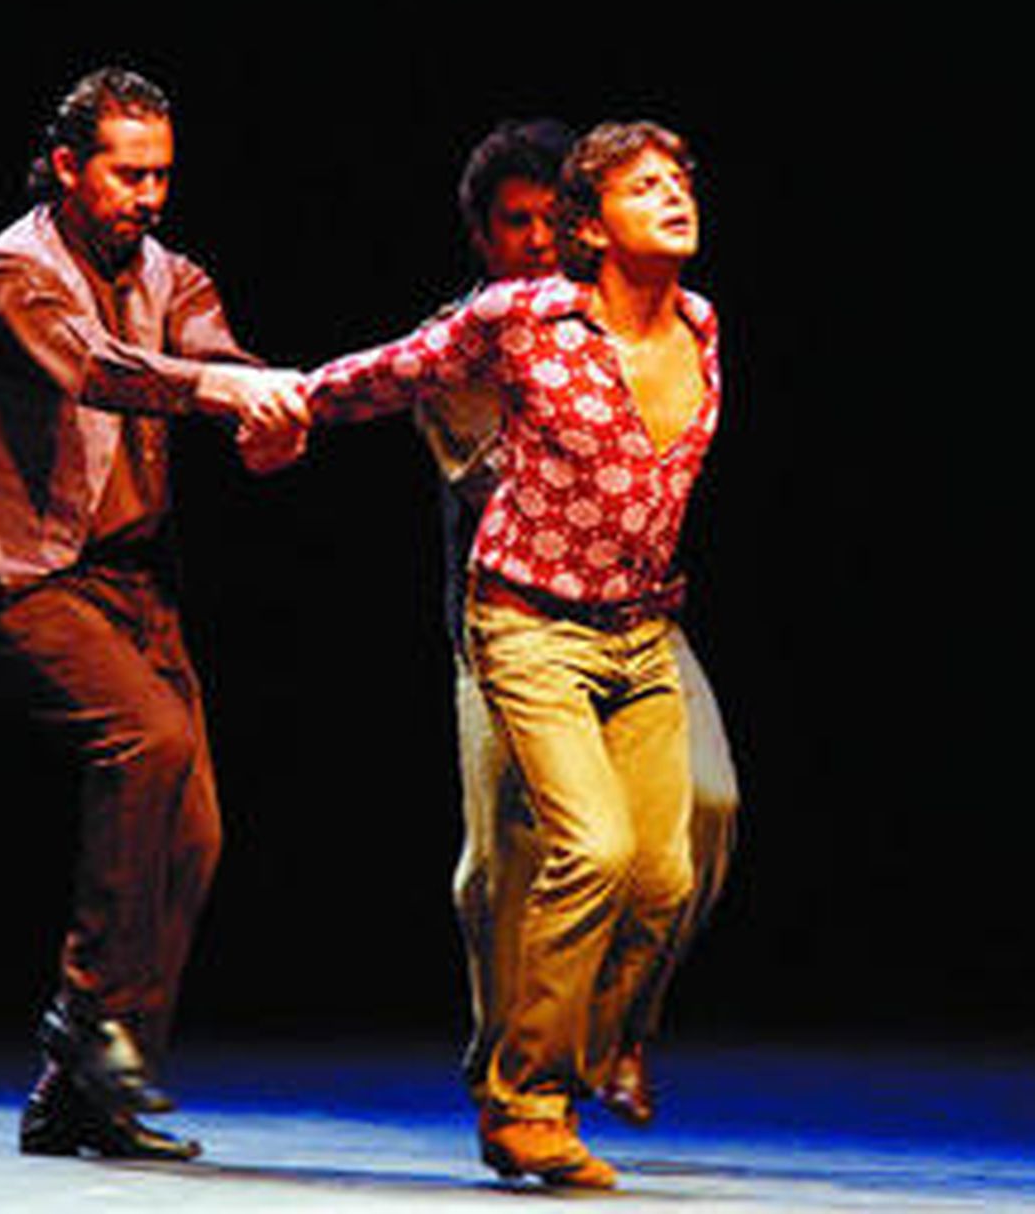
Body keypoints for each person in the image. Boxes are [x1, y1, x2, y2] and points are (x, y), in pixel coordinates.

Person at [248, 120, 726, 1188]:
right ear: (590, 228)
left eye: (679, 180)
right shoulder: (518, 320)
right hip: (525, 624)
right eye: (644, 186)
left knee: (663, 874)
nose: (674, 195)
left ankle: (586, 1047)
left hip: (642, 632)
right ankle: (522, 1102)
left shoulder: (702, 326)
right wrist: (289, 403)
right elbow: (392, 372)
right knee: (586, 850)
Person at [0, 65, 305, 1161]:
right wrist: (218, 392)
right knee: (149, 741)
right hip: (20, 580)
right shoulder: (4, 277)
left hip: (136, 586)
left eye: (162, 175)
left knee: (193, 831)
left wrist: (262, 413)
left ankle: (77, 1097)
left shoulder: (172, 274)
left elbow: (214, 357)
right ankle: (88, 1015)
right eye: (128, 174)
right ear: (66, 166)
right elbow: (90, 367)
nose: (149, 195)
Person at [421, 121, 741, 1136]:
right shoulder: (483, 339)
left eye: (547, 220)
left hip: (638, 621)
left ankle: (617, 1027)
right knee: (507, 860)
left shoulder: (650, 323)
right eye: (512, 225)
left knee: (704, 807)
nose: (533, 241)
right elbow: (501, 484)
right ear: (483, 237)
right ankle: (505, 1067)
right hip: (512, 624)